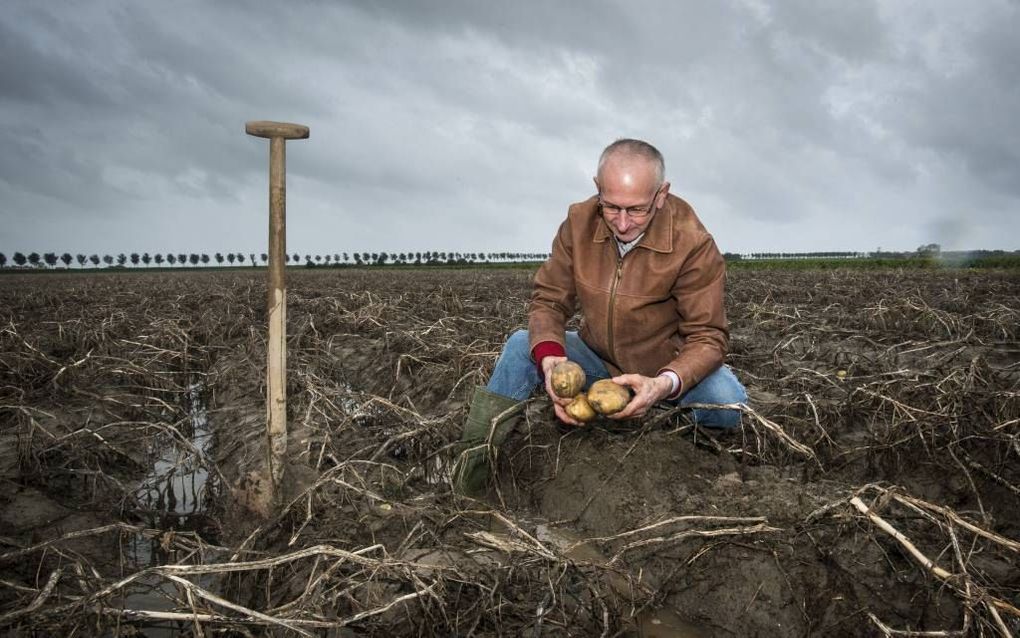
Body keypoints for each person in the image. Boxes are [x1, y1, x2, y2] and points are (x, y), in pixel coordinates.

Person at [454, 139, 747, 494]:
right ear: (598, 190)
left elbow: (708, 337)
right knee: (521, 346)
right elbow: (549, 299)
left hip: (664, 369)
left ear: (661, 194)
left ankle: (666, 431)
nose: (622, 223)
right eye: (611, 207)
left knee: (727, 402)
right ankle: (470, 474)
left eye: (637, 210)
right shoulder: (579, 222)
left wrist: (661, 384)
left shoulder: (693, 243)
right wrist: (551, 362)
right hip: (598, 360)